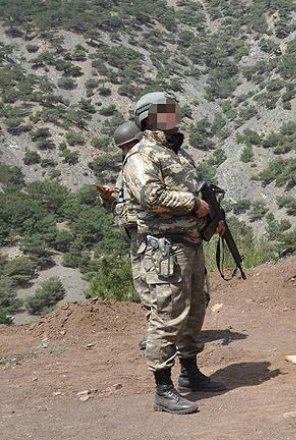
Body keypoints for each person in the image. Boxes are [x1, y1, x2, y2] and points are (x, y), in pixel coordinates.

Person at [121, 91, 225, 415]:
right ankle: (163, 389)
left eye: (173, 110)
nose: (174, 115)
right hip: (164, 246)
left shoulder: (178, 155)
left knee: (195, 308)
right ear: (149, 117)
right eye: (166, 111)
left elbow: (195, 191)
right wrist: (194, 204)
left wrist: (212, 218)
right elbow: (151, 196)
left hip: (190, 242)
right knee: (167, 314)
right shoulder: (141, 155)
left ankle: (190, 373)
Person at [96, 121, 151, 351]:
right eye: (123, 148)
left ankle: (162, 333)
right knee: (143, 283)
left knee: (154, 283)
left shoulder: (147, 166)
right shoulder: (126, 170)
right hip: (135, 236)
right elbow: (118, 203)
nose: (125, 152)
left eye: (128, 146)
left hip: (150, 235)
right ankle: (156, 330)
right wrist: (108, 197)